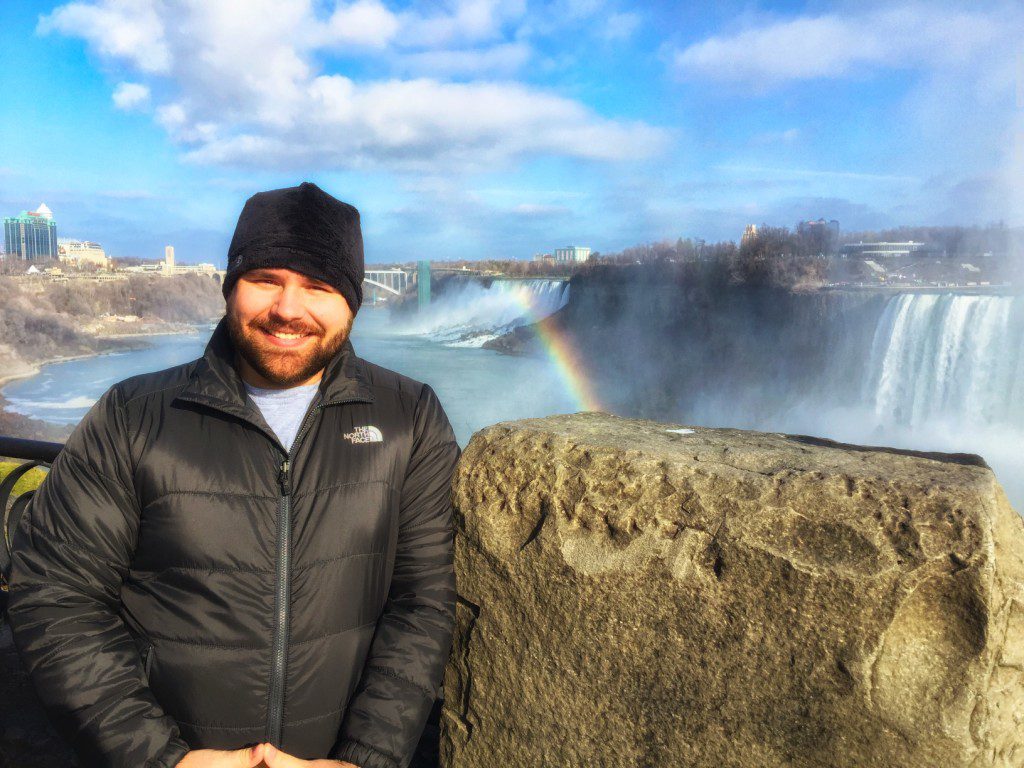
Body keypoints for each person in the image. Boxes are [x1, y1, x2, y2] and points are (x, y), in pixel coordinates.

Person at [6, 182, 460, 768]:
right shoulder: (133, 415)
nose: (288, 309)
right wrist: (161, 759)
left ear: (351, 303)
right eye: (266, 278)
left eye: (319, 287)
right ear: (230, 287)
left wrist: (365, 759)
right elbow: (56, 593)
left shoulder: (409, 418)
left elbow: (421, 604)